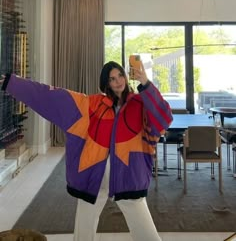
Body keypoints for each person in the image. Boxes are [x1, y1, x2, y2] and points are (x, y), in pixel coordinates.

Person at [1, 60, 173, 241]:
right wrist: (14, 84)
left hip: (128, 175)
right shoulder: (92, 104)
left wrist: (145, 83)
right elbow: (51, 97)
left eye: (120, 75)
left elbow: (164, 117)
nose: (118, 81)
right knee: (83, 231)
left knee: (146, 233)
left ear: (125, 75)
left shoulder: (140, 103)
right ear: (106, 84)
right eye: (112, 79)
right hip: (93, 176)